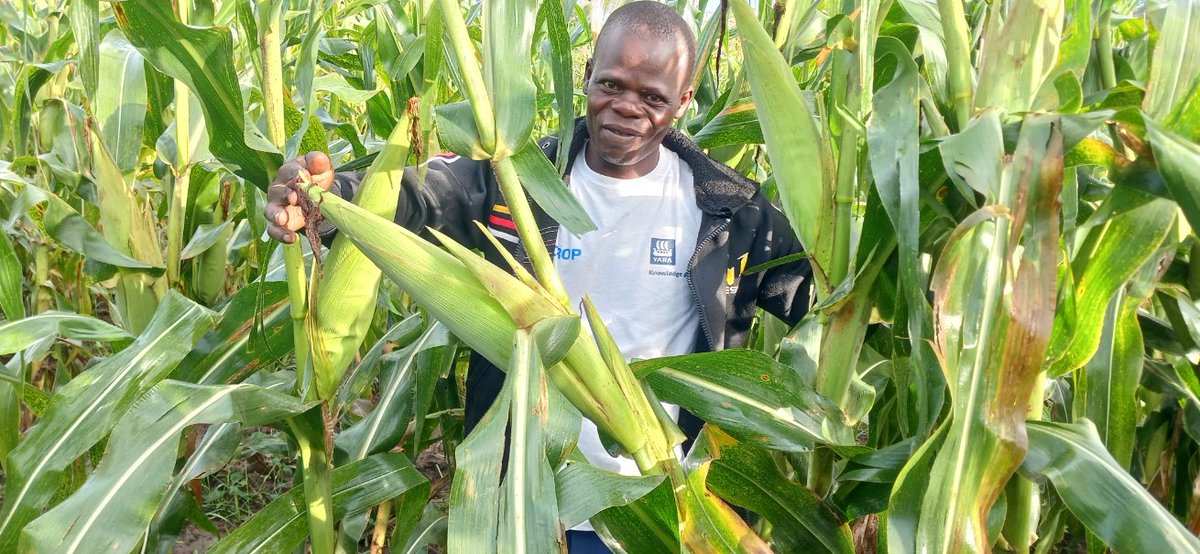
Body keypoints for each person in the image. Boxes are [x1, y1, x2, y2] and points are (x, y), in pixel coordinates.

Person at [265, 2, 812, 551]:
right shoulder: (516, 181)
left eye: (653, 98)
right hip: (536, 494)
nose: (627, 108)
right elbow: (416, 197)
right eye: (611, 85)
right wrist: (327, 198)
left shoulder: (731, 211)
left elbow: (817, 297)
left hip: (672, 503)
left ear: (684, 102)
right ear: (587, 75)